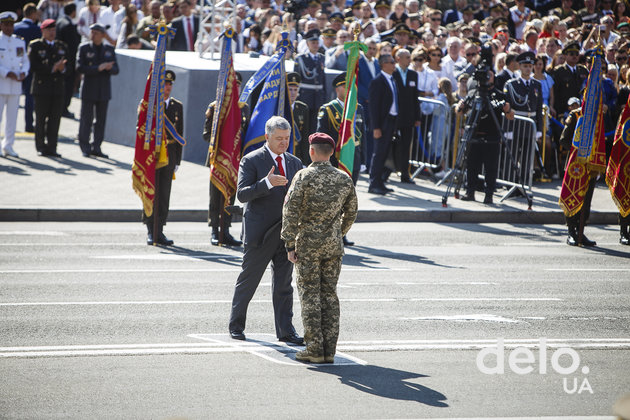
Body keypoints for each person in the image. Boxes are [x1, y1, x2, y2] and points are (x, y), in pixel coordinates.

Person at [281, 132, 358, 364]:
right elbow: (352, 212)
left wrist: (289, 243)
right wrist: (338, 233)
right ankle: (329, 350)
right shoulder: (344, 179)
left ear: (311, 151)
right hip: (333, 247)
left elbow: (290, 211)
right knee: (329, 296)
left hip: (308, 247)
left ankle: (314, 348)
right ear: (332, 152)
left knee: (310, 296)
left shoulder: (303, 176)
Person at [228, 116, 303, 345]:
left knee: (283, 285)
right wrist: (267, 183)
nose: (284, 143)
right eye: (279, 138)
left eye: (287, 138)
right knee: (248, 281)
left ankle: (286, 330)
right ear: (267, 136)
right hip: (259, 233)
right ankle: (236, 326)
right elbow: (242, 194)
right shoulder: (251, 160)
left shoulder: (294, 162)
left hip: (285, 233)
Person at [316, 73, 365, 246]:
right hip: (335, 160)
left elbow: (362, 135)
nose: (349, 90)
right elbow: (321, 136)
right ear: (338, 89)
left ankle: (342, 232)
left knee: (347, 198)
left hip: (354, 159)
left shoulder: (357, 108)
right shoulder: (328, 109)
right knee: (332, 198)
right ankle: (328, 231)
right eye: (346, 86)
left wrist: (363, 159)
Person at [202, 72, 247, 247]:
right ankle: (215, 229)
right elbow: (206, 135)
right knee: (215, 197)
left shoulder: (243, 108)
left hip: (235, 161)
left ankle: (226, 230)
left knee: (230, 196)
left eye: (237, 85)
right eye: (232, 85)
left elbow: (247, 134)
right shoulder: (215, 107)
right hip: (218, 160)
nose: (235, 88)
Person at [457, 70, 514, 204]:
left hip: (492, 136)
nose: (487, 78)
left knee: (491, 167)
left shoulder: (499, 95)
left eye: (490, 75)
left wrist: (508, 110)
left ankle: (489, 195)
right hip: (474, 135)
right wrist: (460, 107)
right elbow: (459, 112)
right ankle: (470, 191)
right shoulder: (473, 93)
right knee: (471, 165)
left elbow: (510, 116)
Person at [142, 70, 184, 246]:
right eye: (164, 84)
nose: (167, 87)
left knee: (164, 195)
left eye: (170, 84)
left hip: (169, 157)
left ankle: (160, 230)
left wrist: (178, 161)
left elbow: (180, 134)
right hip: (153, 156)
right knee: (152, 192)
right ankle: (151, 230)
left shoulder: (177, 106)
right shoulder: (149, 105)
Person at [76, 23, 119, 159]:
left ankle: (97, 146)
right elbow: (79, 67)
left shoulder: (109, 49)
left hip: (103, 90)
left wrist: (108, 68)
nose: (93, 35)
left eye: (96, 33)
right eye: (92, 32)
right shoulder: (84, 48)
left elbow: (116, 69)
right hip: (89, 88)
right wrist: (97, 68)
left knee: (100, 121)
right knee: (86, 119)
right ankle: (85, 147)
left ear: (102, 35)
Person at [559, 105, 597, 247]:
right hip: (574, 166)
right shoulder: (575, 115)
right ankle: (571, 232)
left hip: (590, 165)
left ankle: (580, 230)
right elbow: (564, 139)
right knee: (572, 195)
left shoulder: (597, 117)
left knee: (586, 200)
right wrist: (579, 151)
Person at [28, 18, 67, 158]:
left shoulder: (61, 46)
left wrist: (62, 69)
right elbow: (33, 66)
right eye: (49, 30)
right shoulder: (36, 45)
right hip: (42, 87)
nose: (52, 33)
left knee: (55, 119)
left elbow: (68, 66)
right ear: (43, 31)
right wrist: (52, 68)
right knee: (40, 118)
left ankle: (52, 147)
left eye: (54, 30)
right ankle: (40, 146)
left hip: (57, 88)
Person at [368, 54, 399, 195]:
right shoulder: (378, 81)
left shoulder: (392, 80)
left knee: (385, 153)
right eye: (391, 62)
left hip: (391, 120)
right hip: (382, 122)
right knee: (378, 153)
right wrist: (376, 127)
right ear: (383, 64)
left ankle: (381, 182)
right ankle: (374, 183)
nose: (394, 64)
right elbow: (374, 107)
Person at [0, 12, 29, 158]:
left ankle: (8, 145)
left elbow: (25, 60)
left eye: (11, 25)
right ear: (1, 25)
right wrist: (6, 73)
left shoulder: (19, 41)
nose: (9, 28)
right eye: (6, 25)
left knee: (12, 117)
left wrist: (24, 72)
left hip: (15, 85)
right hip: (2, 83)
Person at [392, 48, 420, 184]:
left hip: (408, 116)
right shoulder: (392, 72)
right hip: (394, 115)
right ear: (398, 59)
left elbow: (415, 97)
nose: (410, 60)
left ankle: (404, 173)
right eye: (407, 57)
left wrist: (417, 117)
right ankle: (385, 171)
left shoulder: (413, 75)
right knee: (389, 143)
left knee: (406, 145)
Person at [13, 3, 41, 133]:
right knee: (29, 97)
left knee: (13, 97)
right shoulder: (36, 29)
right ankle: (29, 125)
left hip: (14, 65)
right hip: (29, 66)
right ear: (33, 14)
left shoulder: (15, 27)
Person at [293, 29, 327, 135]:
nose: (315, 45)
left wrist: (324, 97)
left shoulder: (321, 58)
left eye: (317, 42)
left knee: (315, 125)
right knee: (305, 125)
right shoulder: (301, 59)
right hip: (305, 96)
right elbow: (296, 80)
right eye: (313, 42)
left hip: (318, 97)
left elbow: (323, 80)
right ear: (307, 43)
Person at [55, 3, 81, 120]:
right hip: (68, 60)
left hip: (59, 59)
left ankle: (60, 107)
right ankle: (64, 108)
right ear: (73, 12)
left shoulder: (59, 22)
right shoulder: (68, 25)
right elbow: (73, 46)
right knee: (68, 85)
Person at [287, 72, 310, 166]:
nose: (293, 93)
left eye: (295, 90)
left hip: (297, 155)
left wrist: (304, 161)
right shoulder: (278, 108)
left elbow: (305, 137)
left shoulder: (302, 108)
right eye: (290, 89)